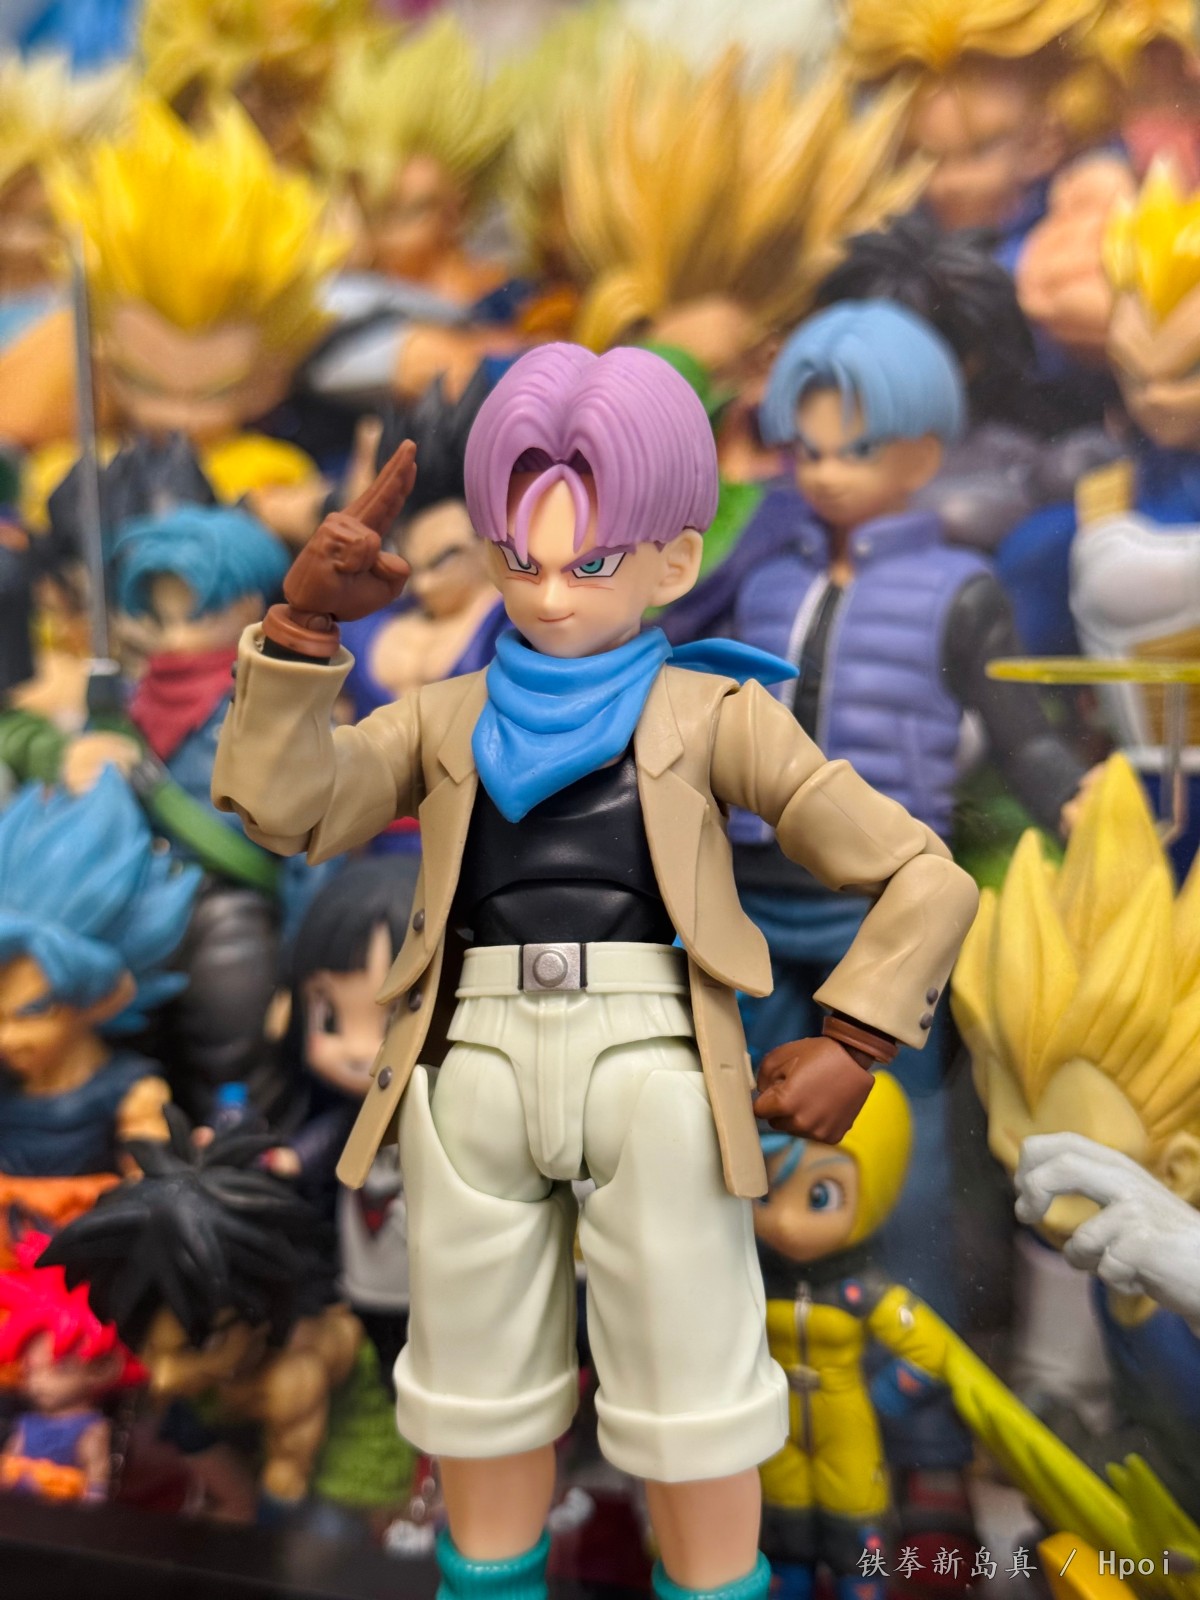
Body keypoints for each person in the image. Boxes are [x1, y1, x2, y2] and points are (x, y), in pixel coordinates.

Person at [210, 342, 978, 1600]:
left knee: (695, 1396)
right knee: (476, 1399)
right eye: (524, 561)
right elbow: (289, 809)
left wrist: (858, 1038)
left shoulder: (712, 714)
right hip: (472, 1064)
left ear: (674, 561)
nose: (554, 594)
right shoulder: (446, 717)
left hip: (654, 1063)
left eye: (593, 562)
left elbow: (922, 873)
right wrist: (299, 634)